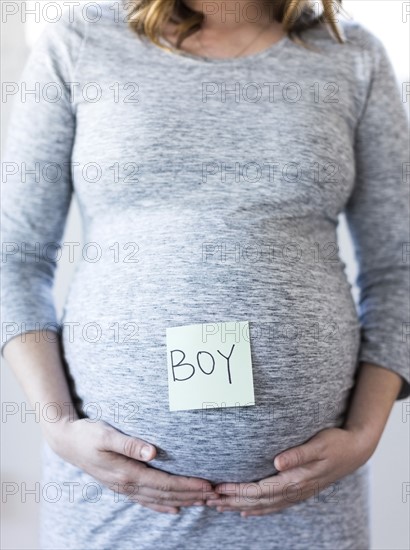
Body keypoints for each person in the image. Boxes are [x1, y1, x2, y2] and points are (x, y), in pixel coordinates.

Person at [2, 0, 409, 548]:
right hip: (113, 500)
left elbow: (398, 265)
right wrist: (57, 428)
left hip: (310, 506)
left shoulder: (351, 55)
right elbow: (15, 252)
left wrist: (364, 434)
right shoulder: (82, 40)